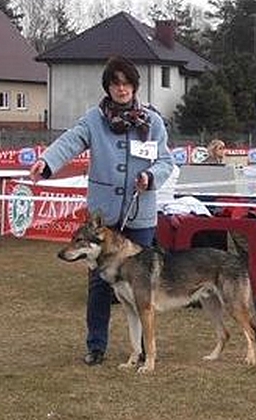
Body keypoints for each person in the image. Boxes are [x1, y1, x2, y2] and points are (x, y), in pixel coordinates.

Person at [28, 56, 174, 366]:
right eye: (115, 83)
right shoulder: (93, 120)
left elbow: (165, 162)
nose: (121, 89)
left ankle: (146, 348)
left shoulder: (153, 121)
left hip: (140, 215)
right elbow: (71, 141)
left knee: (142, 287)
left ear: (135, 86)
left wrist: (151, 177)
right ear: (108, 87)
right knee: (99, 284)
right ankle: (96, 345)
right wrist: (48, 161)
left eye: (126, 83)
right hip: (102, 219)